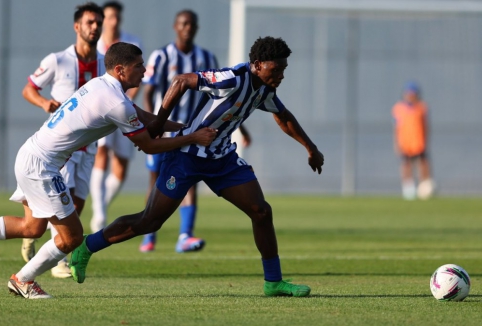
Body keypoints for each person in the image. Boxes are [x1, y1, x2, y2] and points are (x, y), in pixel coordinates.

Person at [0, 42, 218, 299]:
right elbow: (148, 145)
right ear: (120, 70)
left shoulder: (102, 86)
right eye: (138, 66)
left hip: (31, 153)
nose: (144, 70)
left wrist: (184, 128)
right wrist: (193, 138)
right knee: (72, 237)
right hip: (42, 165)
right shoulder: (115, 102)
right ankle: (22, 280)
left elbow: (145, 118)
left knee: (32, 227)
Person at [69, 36, 325, 298]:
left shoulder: (265, 88)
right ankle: (87, 246)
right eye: (277, 69)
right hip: (186, 156)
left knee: (261, 211)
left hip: (221, 158)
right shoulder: (232, 78)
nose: (281, 75)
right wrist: (158, 123)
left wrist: (310, 148)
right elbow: (181, 80)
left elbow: (283, 116)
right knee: (150, 220)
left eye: (284, 69)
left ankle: (273, 282)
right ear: (258, 64)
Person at [138, 9, 251, 253]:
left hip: (194, 132)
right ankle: (149, 235)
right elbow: (148, 92)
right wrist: (154, 124)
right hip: (165, 128)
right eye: (184, 23)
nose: (188, 28)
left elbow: (227, 100)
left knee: (190, 179)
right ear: (176, 26)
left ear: (196, 28)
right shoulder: (161, 56)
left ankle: (185, 235)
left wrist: (242, 129)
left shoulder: (207, 58)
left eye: (192, 24)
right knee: (155, 178)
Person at [19, 2, 104, 279]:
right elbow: (29, 89)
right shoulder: (58, 60)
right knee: (62, 198)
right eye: (90, 22)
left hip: (89, 146)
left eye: (98, 22)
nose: (95, 27)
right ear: (77, 26)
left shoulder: (105, 62)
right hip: (62, 147)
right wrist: (44, 103)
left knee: (77, 204)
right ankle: (59, 260)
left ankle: (33, 230)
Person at [90, 1, 143, 233]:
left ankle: (100, 205)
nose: (114, 21)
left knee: (120, 168)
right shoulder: (96, 45)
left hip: (125, 108)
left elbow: (140, 77)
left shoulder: (132, 43)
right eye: (110, 17)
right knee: (101, 154)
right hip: (102, 110)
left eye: (116, 17)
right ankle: (99, 216)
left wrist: (126, 102)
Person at [392, 81, 434, 200]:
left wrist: (426, 140)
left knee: (423, 164)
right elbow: (396, 127)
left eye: (413, 94)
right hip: (405, 142)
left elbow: (426, 126)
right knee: (406, 165)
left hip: (418, 142)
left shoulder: (421, 108)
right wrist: (396, 143)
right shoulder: (398, 108)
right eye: (408, 93)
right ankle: (408, 190)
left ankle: (425, 187)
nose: (410, 96)